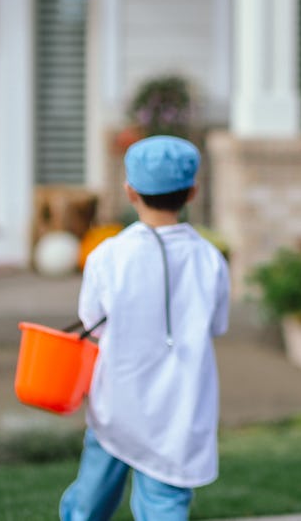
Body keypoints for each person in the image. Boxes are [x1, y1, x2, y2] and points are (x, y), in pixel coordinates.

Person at [60, 135, 230, 521]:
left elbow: (92, 323)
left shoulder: (106, 255)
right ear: (192, 192)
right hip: (179, 408)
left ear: (129, 191)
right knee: (165, 505)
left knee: (89, 502)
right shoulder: (210, 259)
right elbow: (216, 325)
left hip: (117, 401)